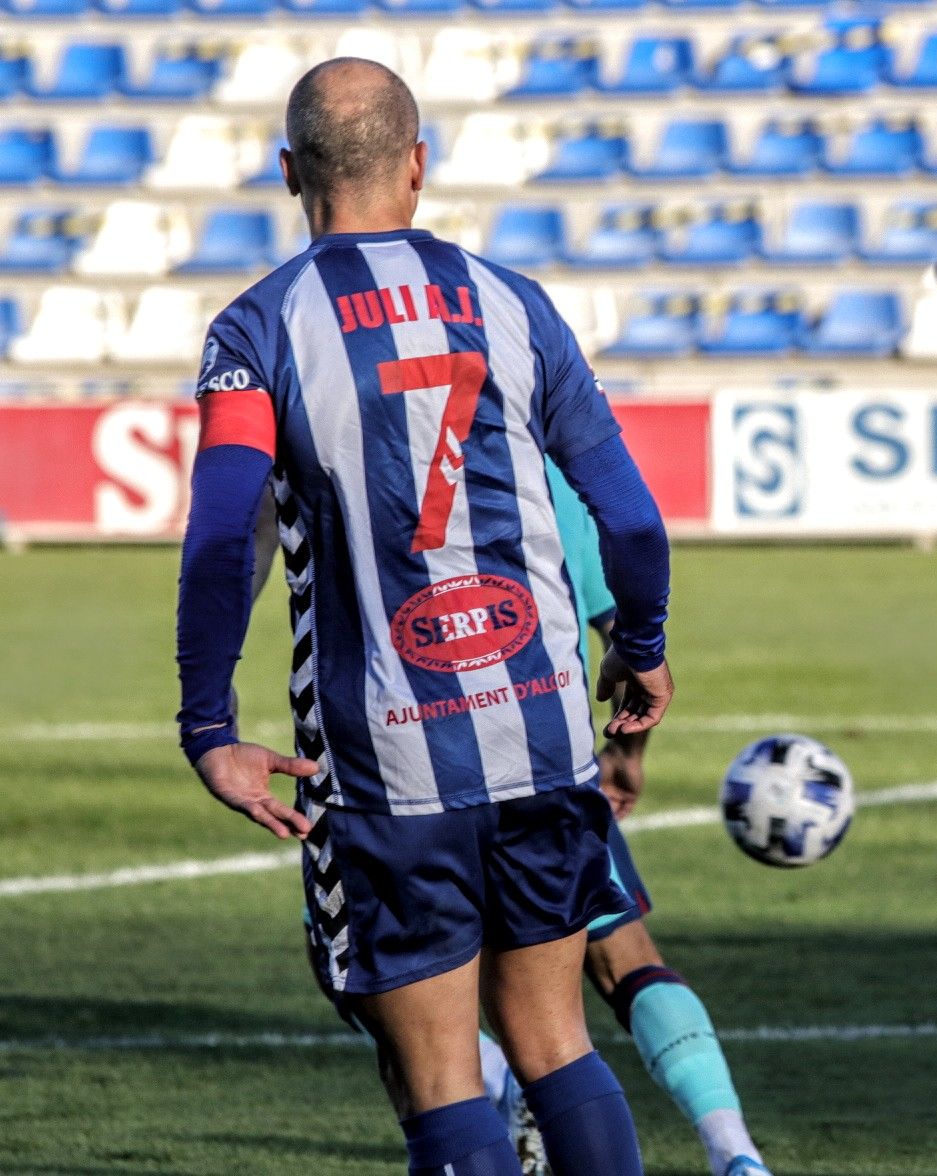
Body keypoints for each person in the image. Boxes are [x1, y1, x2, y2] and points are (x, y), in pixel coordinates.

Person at [176, 59, 663, 1174]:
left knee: (439, 1077)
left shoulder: (255, 331)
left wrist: (210, 726)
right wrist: (643, 648)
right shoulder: (516, 300)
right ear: (418, 166)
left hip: (389, 766)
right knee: (556, 1041)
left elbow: (218, 538)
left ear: (289, 170)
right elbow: (630, 521)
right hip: (542, 732)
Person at [260, 466, 770, 1176]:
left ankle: (495, 1086)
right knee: (592, 995)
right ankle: (733, 1150)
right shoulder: (533, 432)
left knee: (406, 1030)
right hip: (538, 746)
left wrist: (205, 717)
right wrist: (626, 750)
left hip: (397, 762)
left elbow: (236, 526)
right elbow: (624, 591)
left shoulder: (343, 415)